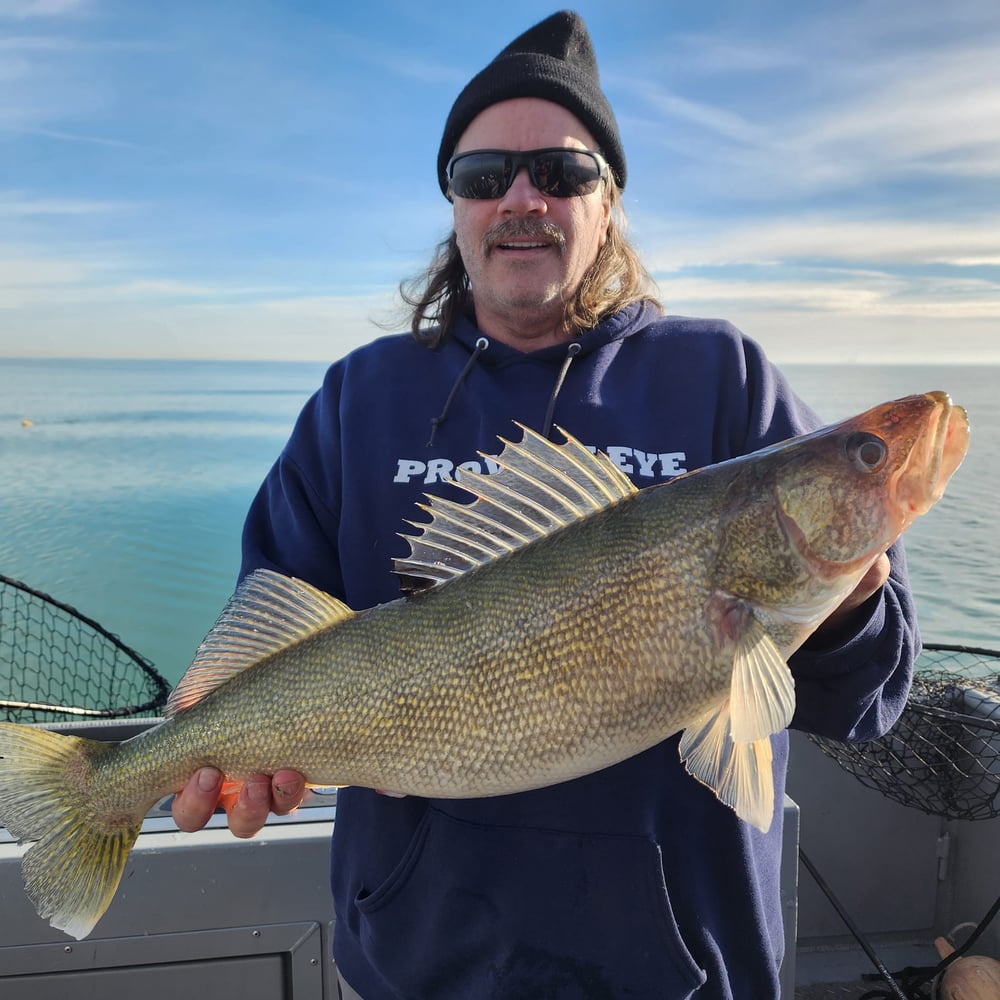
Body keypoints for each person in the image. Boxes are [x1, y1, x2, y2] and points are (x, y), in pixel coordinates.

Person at [172, 11, 915, 999]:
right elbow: (272, 615)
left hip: (682, 972)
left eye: (561, 173)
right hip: (417, 963)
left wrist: (848, 597)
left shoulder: (724, 377)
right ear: (454, 205)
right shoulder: (359, 396)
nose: (523, 199)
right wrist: (218, 739)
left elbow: (867, 700)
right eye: (486, 176)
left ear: (608, 203)